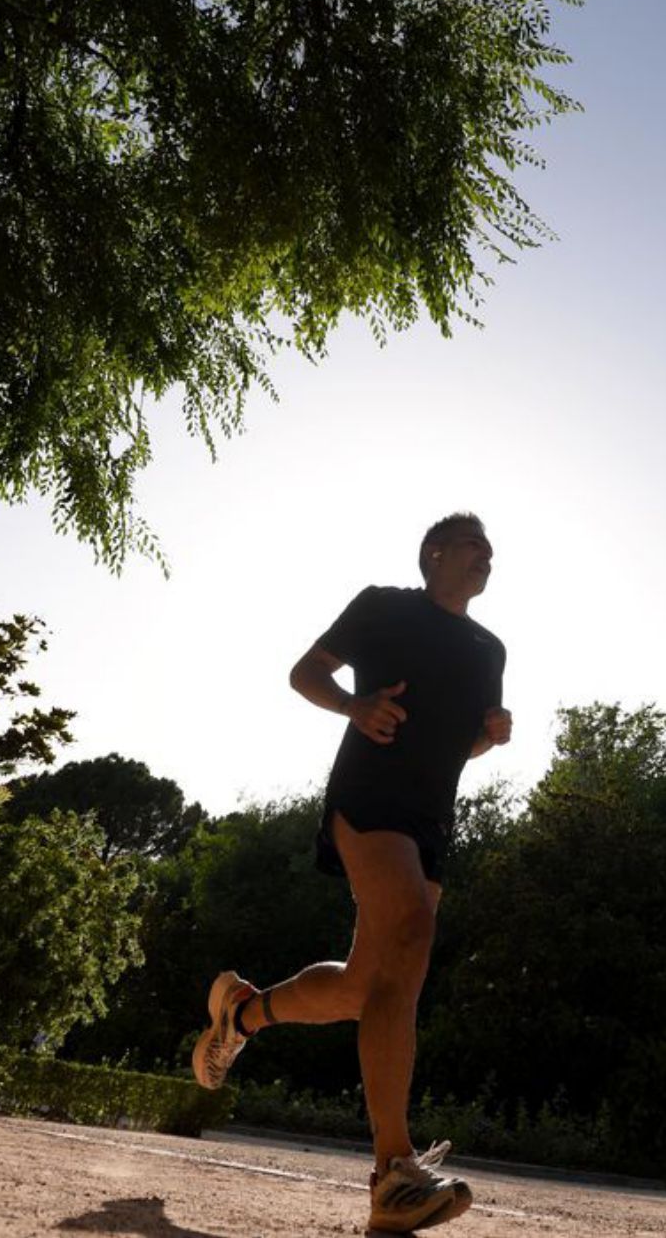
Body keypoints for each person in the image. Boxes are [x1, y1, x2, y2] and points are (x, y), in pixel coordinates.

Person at [190, 513, 510, 1234]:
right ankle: (393, 1173)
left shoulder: (491, 649)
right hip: (369, 796)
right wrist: (352, 705)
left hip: (431, 820)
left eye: (491, 549)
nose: (486, 555)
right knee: (414, 932)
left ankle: (240, 1012)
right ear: (434, 554)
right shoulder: (383, 605)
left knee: (370, 985)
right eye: (472, 544)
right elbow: (306, 673)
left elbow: (458, 743)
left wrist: (487, 738)